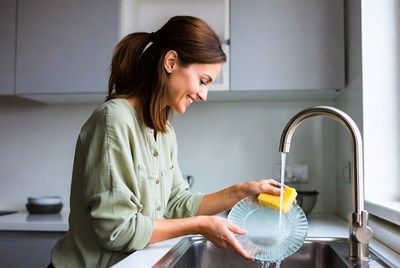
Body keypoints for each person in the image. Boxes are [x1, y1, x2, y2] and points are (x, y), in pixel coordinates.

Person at [49, 16, 282, 267]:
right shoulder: (114, 120)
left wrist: (242, 191)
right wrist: (201, 225)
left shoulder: (163, 129)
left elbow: (176, 204)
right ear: (171, 62)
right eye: (203, 81)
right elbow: (117, 231)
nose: (203, 95)